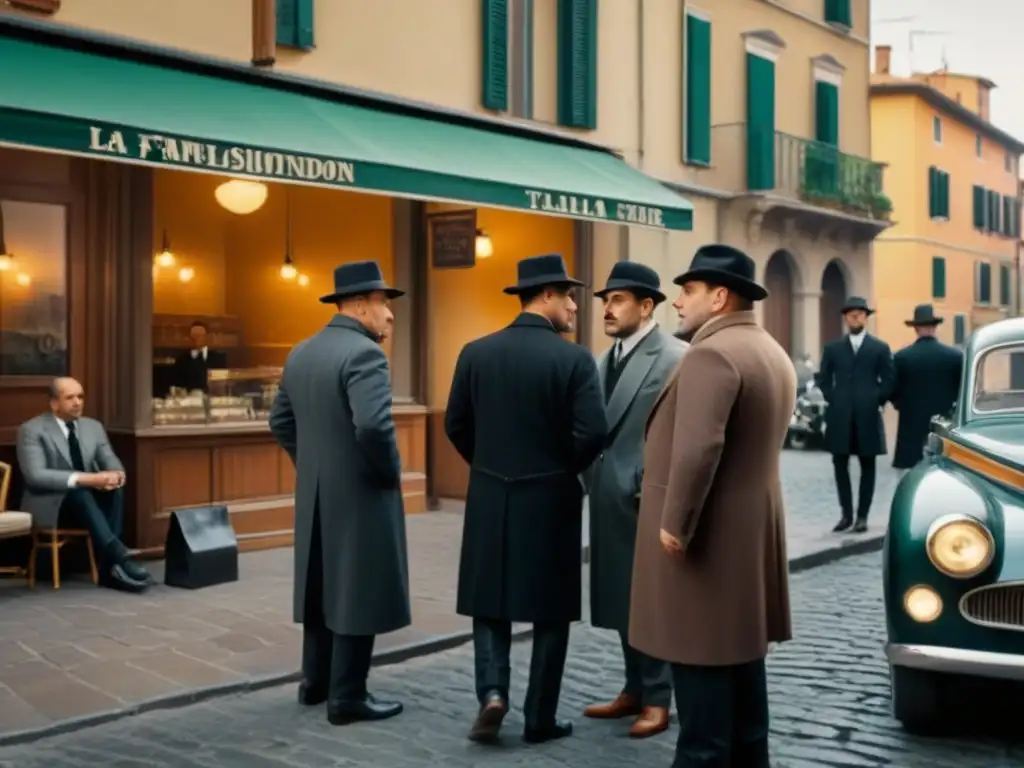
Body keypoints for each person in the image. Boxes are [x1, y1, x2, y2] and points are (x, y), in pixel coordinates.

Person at [629, 244, 795, 768]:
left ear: (719, 296)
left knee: (702, 724)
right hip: (747, 546)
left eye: (689, 290)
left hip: (707, 548)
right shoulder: (768, 348)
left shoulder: (712, 353)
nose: (677, 302)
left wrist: (674, 524)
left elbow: (700, 447)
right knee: (746, 709)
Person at [445, 253, 607, 745]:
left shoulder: (475, 352)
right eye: (571, 297)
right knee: (550, 611)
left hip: (491, 494)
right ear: (549, 295)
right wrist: (560, 467)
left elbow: (455, 424)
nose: (576, 307)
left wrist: (489, 464)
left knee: (488, 603)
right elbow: (593, 432)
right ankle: (539, 718)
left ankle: (493, 693)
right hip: (552, 497)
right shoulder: (575, 358)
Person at [269, 260, 411, 726]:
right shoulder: (366, 355)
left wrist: (313, 463)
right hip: (361, 491)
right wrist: (389, 471)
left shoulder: (301, 352)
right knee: (357, 588)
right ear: (358, 306)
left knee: (321, 585)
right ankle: (347, 696)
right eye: (383, 304)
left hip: (314, 491)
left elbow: (280, 423)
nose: (390, 315)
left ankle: (314, 682)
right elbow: (372, 426)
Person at [582, 262, 685, 739]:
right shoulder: (604, 358)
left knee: (652, 599)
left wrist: (655, 480)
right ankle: (633, 689)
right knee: (621, 596)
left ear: (647, 306)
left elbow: (684, 430)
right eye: (606, 299)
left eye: (618, 299)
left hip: (646, 497)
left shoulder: (675, 356)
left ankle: (659, 698)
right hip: (606, 496)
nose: (608, 306)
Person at [16, 377, 152, 592]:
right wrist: (86, 479)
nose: (77, 402)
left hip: (88, 503)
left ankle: (110, 566)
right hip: (52, 504)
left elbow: (111, 460)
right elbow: (35, 476)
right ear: (53, 403)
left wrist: (115, 477)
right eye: (70, 397)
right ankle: (118, 557)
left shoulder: (93, 427)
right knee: (79, 491)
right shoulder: (32, 430)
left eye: (80, 397)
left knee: (113, 491)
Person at [815, 296, 895, 533]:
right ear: (845, 318)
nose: (855, 318)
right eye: (851, 314)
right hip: (840, 416)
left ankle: (862, 517)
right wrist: (834, 397)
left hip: (868, 415)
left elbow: (889, 379)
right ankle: (846, 515)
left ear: (866, 317)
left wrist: (876, 399)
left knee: (867, 465)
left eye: (860, 314)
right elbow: (823, 377)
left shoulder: (879, 348)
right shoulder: (833, 348)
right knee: (840, 464)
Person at [890, 304, 963, 471]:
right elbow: (961, 390)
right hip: (943, 423)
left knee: (910, 473)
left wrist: (901, 404)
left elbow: (892, 390)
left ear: (915, 328)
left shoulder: (901, 357)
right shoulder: (954, 356)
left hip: (910, 424)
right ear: (935, 327)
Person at [169, 320, 227, 393]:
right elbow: (177, 387)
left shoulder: (218, 359)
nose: (196, 338)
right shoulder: (181, 361)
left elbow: (221, 384)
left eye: (200, 335)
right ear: (189, 337)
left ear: (207, 337)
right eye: (193, 336)